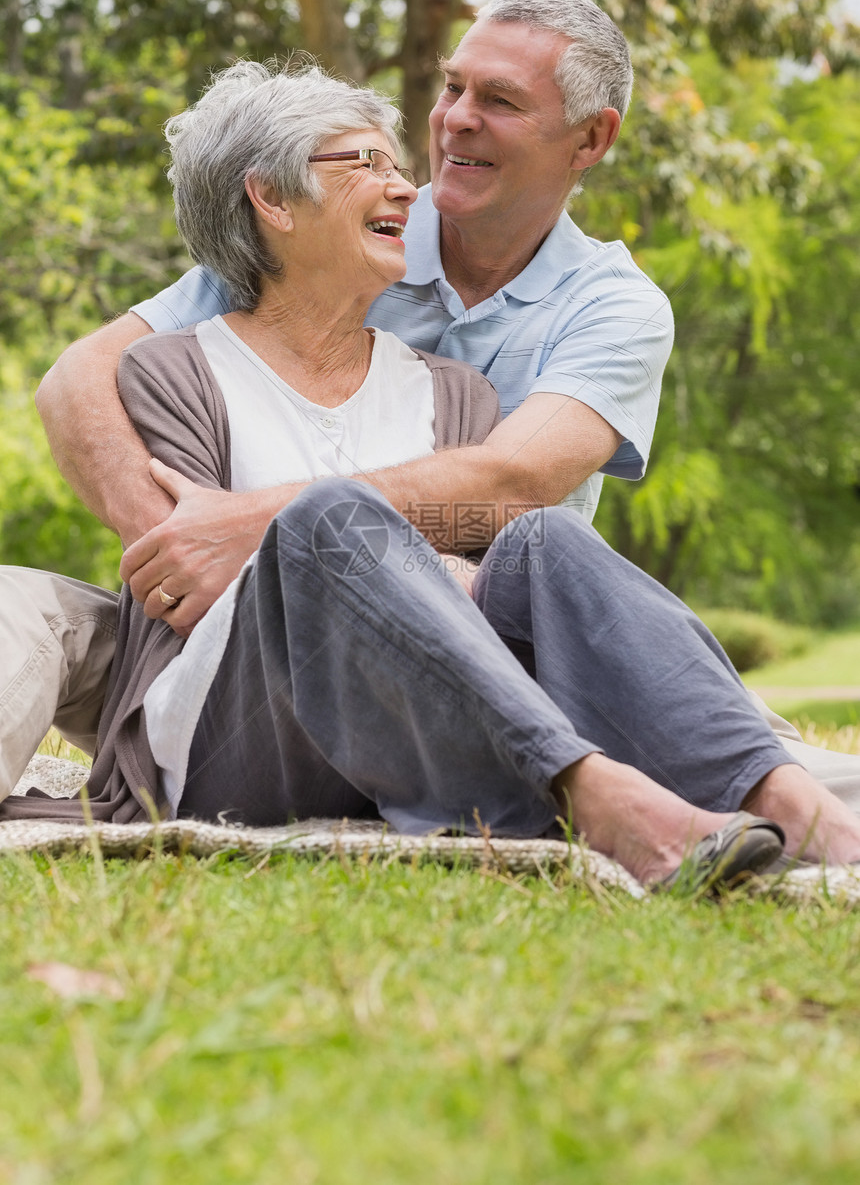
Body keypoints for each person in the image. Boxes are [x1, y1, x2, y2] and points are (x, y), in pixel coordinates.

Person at [5, 56, 860, 887]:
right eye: (367, 162)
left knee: (543, 536)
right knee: (327, 519)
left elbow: (492, 516)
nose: (406, 184)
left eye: (397, 162)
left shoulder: (459, 391)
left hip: (413, 720)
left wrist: (393, 564)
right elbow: (185, 591)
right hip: (222, 736)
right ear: (270, 198)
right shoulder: (169, 372)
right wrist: (275, 550)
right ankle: (601, 800)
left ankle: (796, 805)